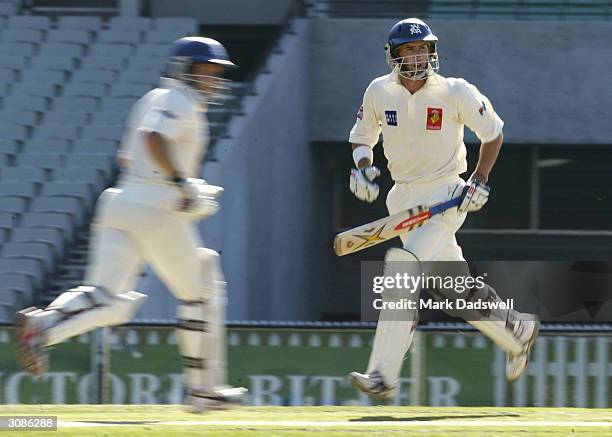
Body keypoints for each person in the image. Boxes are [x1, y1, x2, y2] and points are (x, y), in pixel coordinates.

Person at [14, 37, 246, 411]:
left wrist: (182, 183)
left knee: (108, 298)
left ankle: (43, 327)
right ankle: (202, 390)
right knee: (201, 285)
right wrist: (181, 184)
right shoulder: (180, 101)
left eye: (216, 73)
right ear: (184, 70)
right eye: (205, 71)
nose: (212, 80)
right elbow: (153, 139)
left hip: (121, 202)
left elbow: (129, 158)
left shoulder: (152, 98)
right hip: (155, 206)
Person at [347, 18, 539, 401]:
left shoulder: (455, 91)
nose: (417, 56)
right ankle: (516, 330)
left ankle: (382, 376)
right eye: (408, 50)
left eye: (423, 49)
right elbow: (362, 138)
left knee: (403, 270)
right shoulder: (378, 92)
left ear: (432, 52)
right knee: (455, 293)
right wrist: (365, 168)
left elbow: (493, 133)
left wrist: (480, 179)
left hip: (447, 192)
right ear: (394, 56)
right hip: (402, 198)